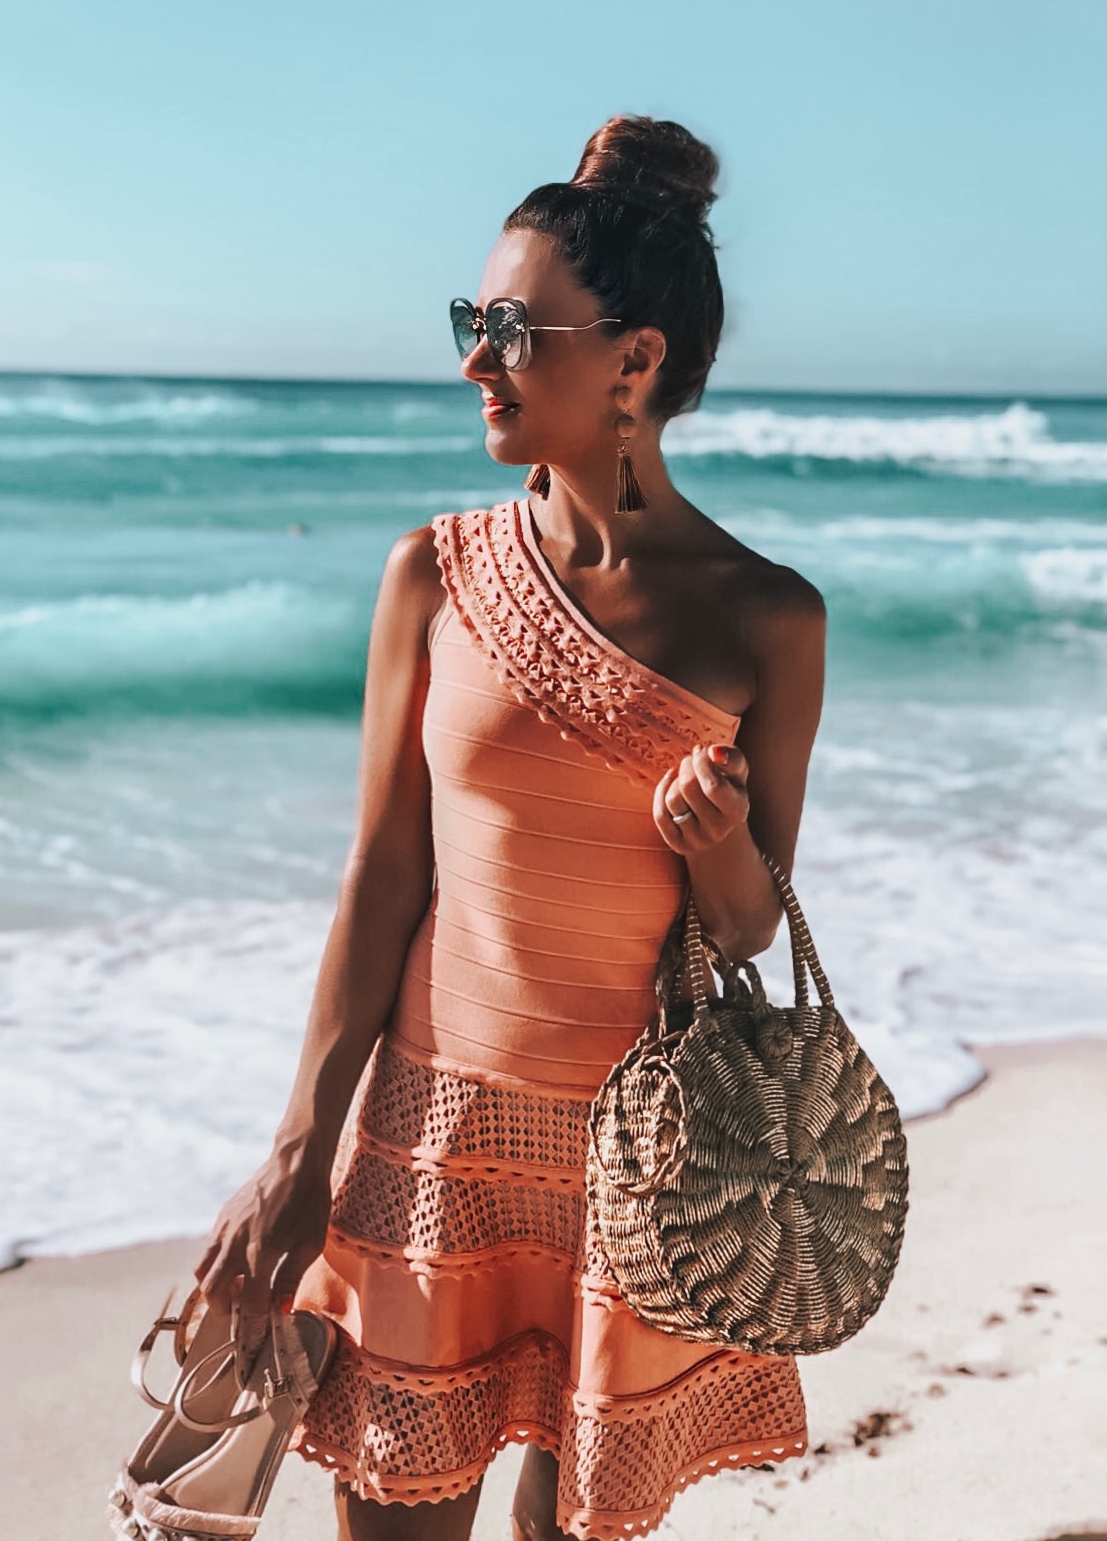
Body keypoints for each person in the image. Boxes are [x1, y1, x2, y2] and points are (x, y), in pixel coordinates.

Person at [194, 113, 826, 1541]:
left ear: (636, 358)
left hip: (639, 1162)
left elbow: (747, 927)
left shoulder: (768, 618)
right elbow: (382, 873)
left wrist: (717, 840)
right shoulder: (434, 571)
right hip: (430, 1139)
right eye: (473, 318)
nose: (475, 356)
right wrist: (298, 1152)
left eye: (511, 326)